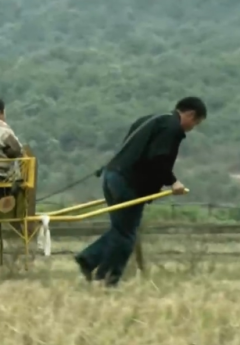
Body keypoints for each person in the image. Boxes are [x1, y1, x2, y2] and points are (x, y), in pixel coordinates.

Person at [75, 96, 206, 287]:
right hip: (128, 183)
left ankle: (92, 263)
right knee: (126, 235)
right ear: (191, 114)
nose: (192, 128)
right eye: (196, 123)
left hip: (112, 176)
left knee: (120, 230)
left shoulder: (151, 119)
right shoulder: (171, 128)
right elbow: (158, 159)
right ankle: (106, 278)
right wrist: (173, 182)